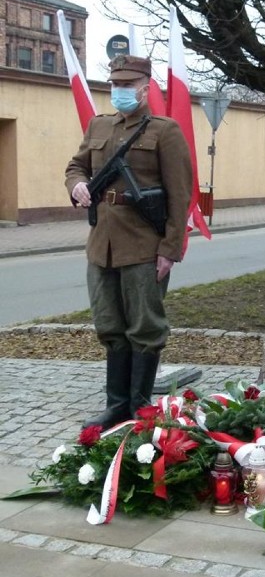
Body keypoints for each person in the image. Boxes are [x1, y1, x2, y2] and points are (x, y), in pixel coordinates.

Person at [65, 55, 193, 429]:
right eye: (114, 84)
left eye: (126, 84)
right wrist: (76, 184)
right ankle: (116, 404)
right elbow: (77, 165)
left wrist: (170, 249)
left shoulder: (164, 131)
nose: (118, 91)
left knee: (145, 328)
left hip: (143, 245)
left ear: (144, 87)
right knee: (109, 325)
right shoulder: (98, 125)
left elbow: (180, 193)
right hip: (101, 243)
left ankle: (140, 408)